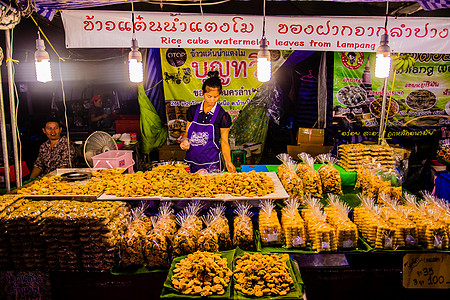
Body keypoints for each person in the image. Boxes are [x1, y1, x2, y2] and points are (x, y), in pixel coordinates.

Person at [180, 71, 236, 173]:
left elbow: (224, 142)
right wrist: (185, 141)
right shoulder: (192, 111)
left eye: (216, 97)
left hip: (212, 165)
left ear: (220, 95)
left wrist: (228, 161)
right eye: (209, 96)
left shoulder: (222, 116)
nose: (212, 100)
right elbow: (187, 133)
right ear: (203, 93)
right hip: (191, 163)